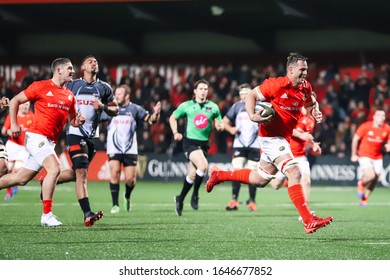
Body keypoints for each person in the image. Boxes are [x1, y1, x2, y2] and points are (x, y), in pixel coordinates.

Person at [206, 53, 333, 234]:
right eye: (302, 69)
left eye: (306, 69)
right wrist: (252, 115)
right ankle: (308, 219)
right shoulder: (276, 84)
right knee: (294, 172)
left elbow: (311, 102)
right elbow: (251, 95)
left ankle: (219, 175)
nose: (305, 72)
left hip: (283, 139)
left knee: (260, 180)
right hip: (270, 137)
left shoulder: (305, 87)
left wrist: (315, 112)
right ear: (291, 70)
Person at [0, 57, 85, 227]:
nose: (73, 71)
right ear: (58, 70)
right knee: (55, 168)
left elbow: (73, 120)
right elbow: (15, 100)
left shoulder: (69, 96)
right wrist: (15, 124)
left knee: (21, 178)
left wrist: (78, 121)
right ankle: (47, 215)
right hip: (36, 137)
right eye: (69, 68)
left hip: (49, 142)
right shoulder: (40, 86)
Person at [41, 55, 119, 226]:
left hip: (93, 136)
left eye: (96, 61)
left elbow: (116, 109)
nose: (94, 63)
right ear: (83, 67)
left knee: (77, 172)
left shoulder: (104, 87)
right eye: (90, 61)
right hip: (75, 133)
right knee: (82, 174)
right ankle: (87, 214)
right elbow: (57, 95)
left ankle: (50, 180)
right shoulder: (73, 84)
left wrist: (104, 107)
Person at [170, 79, 224, 216]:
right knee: (204, 166)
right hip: (190, 143)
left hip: (204, 145)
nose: (203, 91)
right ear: (195, 91)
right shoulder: (186, 106)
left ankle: (180, 198)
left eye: (206, 89)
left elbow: (220, 122)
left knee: (193, 174)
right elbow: (172, 118)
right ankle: (195, 195)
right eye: (201, 88)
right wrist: (176, 132)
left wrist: (220, 126)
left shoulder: (213, 107)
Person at [107, 84, 161, 214]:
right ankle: (115, 205)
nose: (116, 96)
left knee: (131, 179)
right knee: (115, 172)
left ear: (127, 96)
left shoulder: (135, 109)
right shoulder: (110, 109)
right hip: (114, 147)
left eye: (119, 93)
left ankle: (127, 196)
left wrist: (156, 114)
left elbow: (151, 120)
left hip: (130, 148)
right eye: (116, 93)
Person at [270, 106, 322, 219]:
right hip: (286, 155)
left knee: (306, 180)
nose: (310, 107)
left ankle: (305, 212)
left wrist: (313, 145)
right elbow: (286, 128)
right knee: (275, 185)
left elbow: (306, 138)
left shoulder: (310, 120)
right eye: (307, 104)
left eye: (312, 105)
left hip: (301, 156)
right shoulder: (292, 114)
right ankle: (283, 179)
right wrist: (301, 135)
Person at [223, 83, 260, 211]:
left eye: (246, 93)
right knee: (237, 171)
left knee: (252, 173)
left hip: (255, 144)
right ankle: (234, 200)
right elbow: (224, 121)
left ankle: (252, 201)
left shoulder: (258, 105)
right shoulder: (236, 106)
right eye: (242, 93)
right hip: (239, 144)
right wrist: (230, 129)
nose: (244, 95)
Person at [351, 109, 390, 206]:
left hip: (377, 156)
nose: (381, 118)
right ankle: (361, 183)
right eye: (379, 115)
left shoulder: (387, 128)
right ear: (374, 117)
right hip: (364, 154)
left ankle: (364, 198)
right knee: (371, 175)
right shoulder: (366, 126)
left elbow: (388, 142)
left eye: (383, 116)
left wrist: (388, 146)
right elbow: (355, 139)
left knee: (376, 177)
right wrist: (353, 154)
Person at [1, 101, 34, 200]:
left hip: (24, 147)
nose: (25, 107)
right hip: (12, 145)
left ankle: (13, 186)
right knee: (7, 168)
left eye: (27, 105)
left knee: (18, 168)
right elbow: (3, 131)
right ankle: (9, 190)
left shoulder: (32, 117)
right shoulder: (12, 116)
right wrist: (9, 131)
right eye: (23, 104)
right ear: (19, 105)